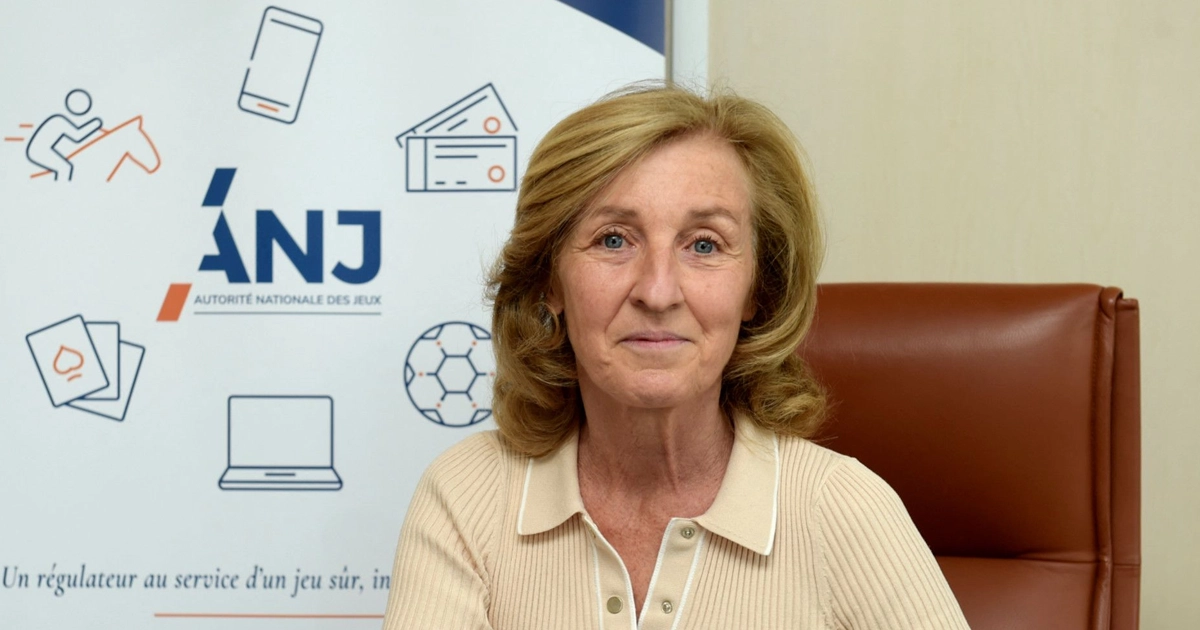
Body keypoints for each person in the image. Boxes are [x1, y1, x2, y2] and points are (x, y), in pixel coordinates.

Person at [383, 85, 970, 629]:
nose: (658, 291)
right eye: (614, 239)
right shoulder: (467, 495)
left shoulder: (843, 510)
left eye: (704, 244)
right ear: (549, 284)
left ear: (756, 291)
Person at [26, 89, 103, 182]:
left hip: (38, 150)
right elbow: (77, 137)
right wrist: (96, 123)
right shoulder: (59, 121)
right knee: (65, 168)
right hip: (39, 150)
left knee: (65, 168)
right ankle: (58, 193)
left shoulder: (58, 119)